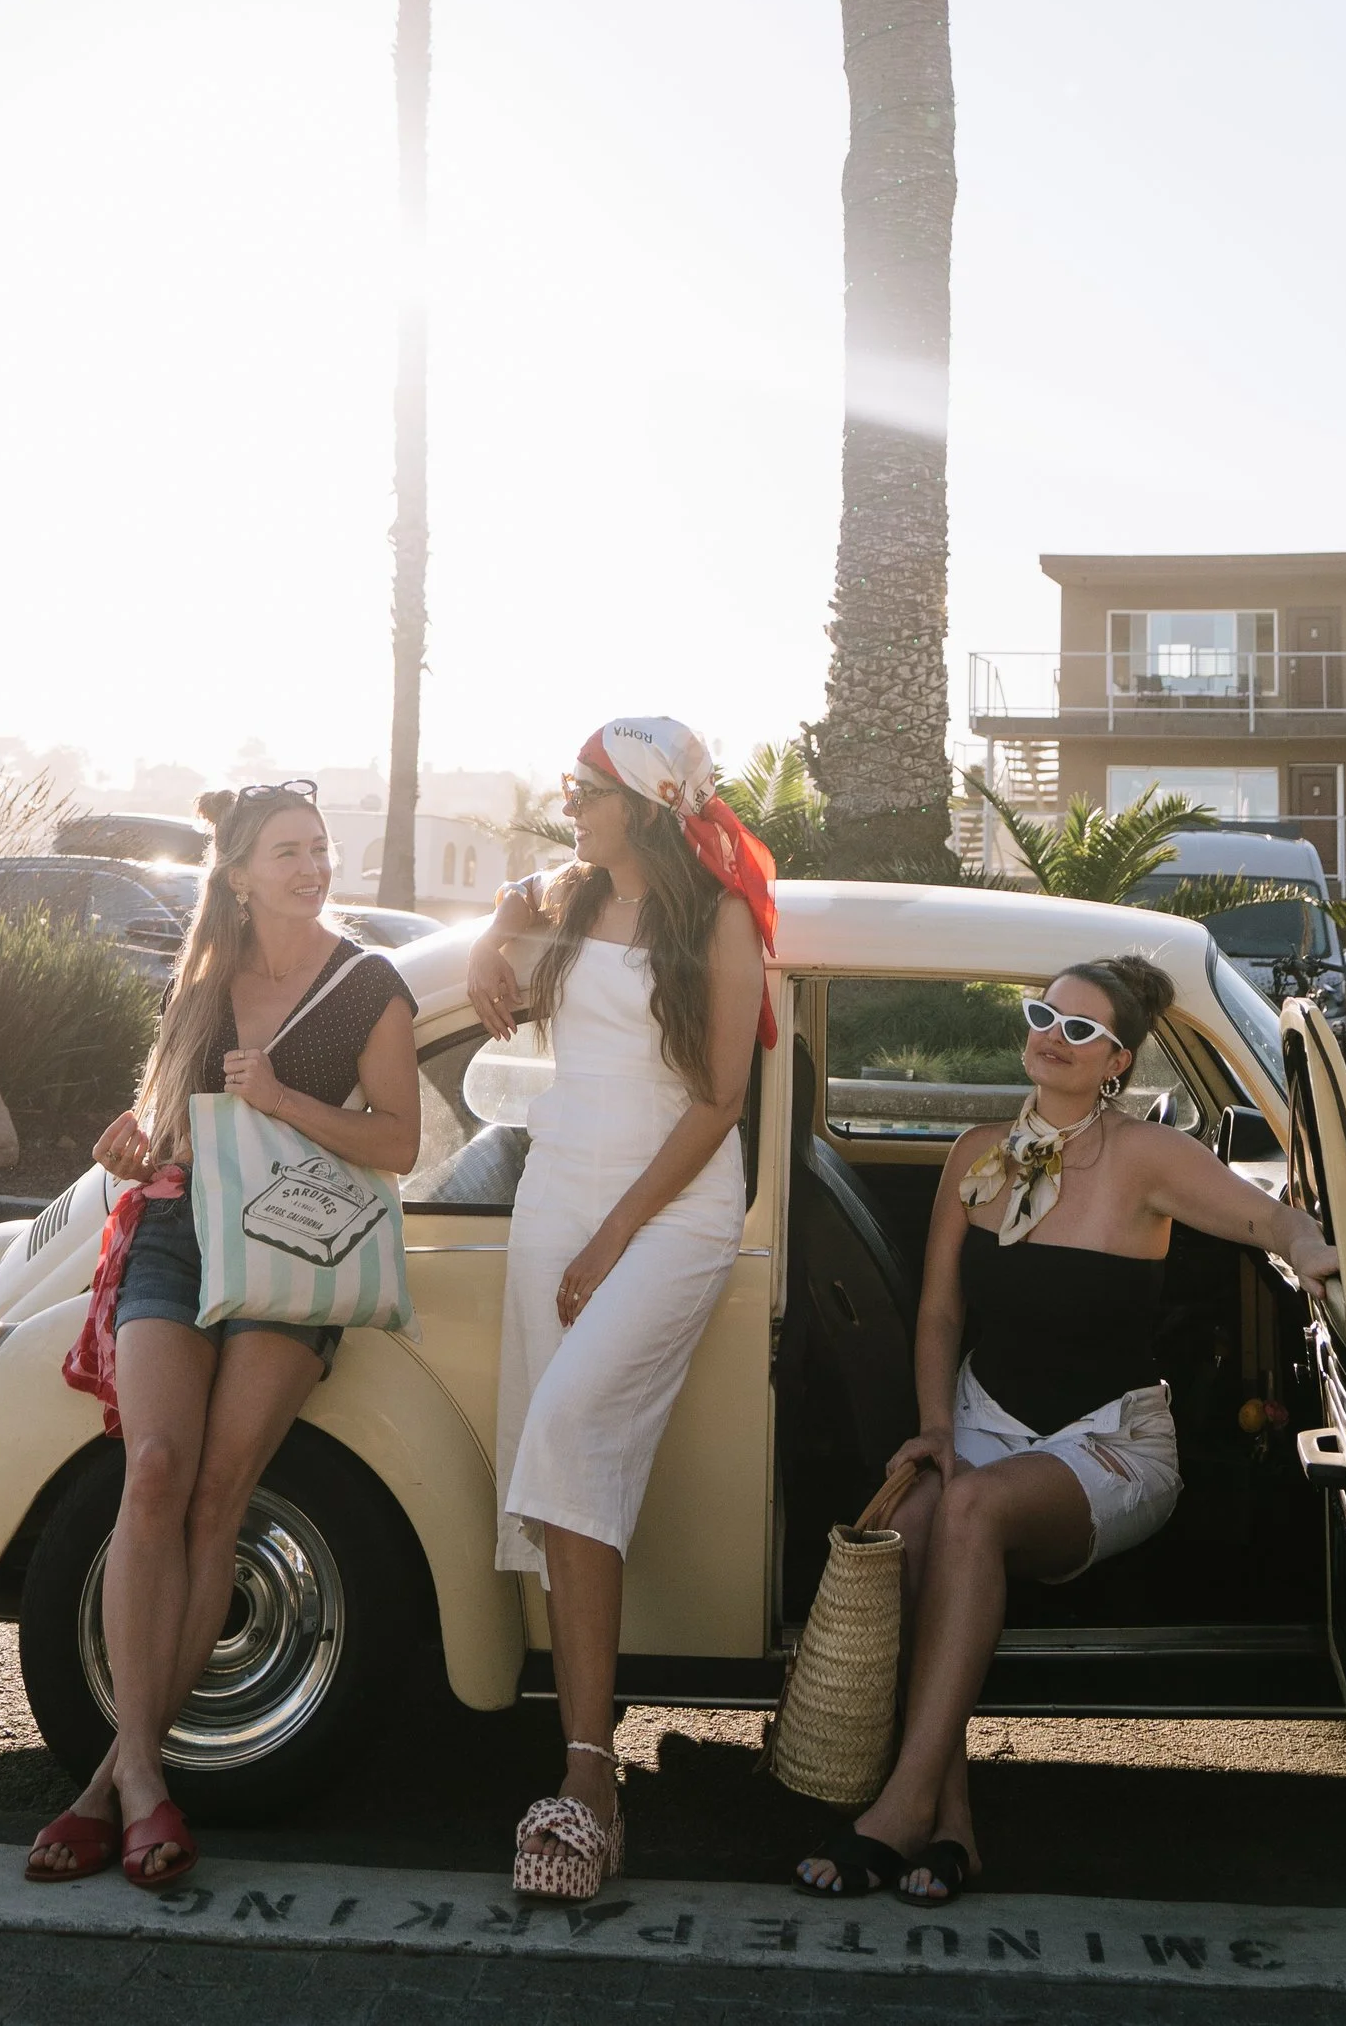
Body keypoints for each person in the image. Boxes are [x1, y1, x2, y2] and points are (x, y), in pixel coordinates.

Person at [794, 952, 1339, 1907]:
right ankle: (950, 1825)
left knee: (967, 1514)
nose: (1053, 1035)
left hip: (1107, 1441)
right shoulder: (977, 1154)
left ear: (1117, 1062)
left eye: (1081, 1029)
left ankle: (899, 1805)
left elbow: (1268, 1225)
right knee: (921, 1517)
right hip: (977, 1422)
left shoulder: (1146, 1157)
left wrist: (1321, 1251)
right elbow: (939, 1315)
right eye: (1043, 1013)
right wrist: (934, 1429)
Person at [24, 779, 416, 1891]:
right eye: (288, 851)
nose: (312, 865)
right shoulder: (202, 983)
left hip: (293, 1259)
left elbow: (398, 1140)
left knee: (218, 1497)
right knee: (152, 1469)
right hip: (177, 1240)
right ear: (238, 874)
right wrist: (130, 1149)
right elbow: (167, 1134)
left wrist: (287, 1100)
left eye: (320, 846)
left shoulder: (367, 985)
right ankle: (143, 1779)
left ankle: (113, 1783)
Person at [465, 716, 774, 1903]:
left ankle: (591, 1775)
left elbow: (718, 1103)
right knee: (568, 1472)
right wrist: (499, 930)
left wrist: (612, 1238)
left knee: (564, 1428)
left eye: (584, 789)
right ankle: (587, 1758)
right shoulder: (571, 894)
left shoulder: (723, 920)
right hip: (556, 1193)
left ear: (643, 801)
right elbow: (517, 892)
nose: (567, 805)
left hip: (678, 1206)